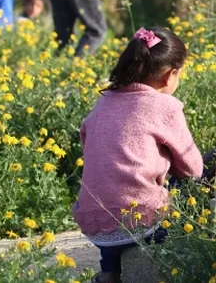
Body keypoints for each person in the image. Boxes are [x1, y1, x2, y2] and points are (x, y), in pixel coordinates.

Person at [73, 27, 203, 283]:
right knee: (187, 188)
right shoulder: (165, 106)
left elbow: (91, 146)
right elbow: (193, 169)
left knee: (112, 195)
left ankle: (109, 271)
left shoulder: (103, 102)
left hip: (94, 225)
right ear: (170, 75)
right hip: (144, 225)